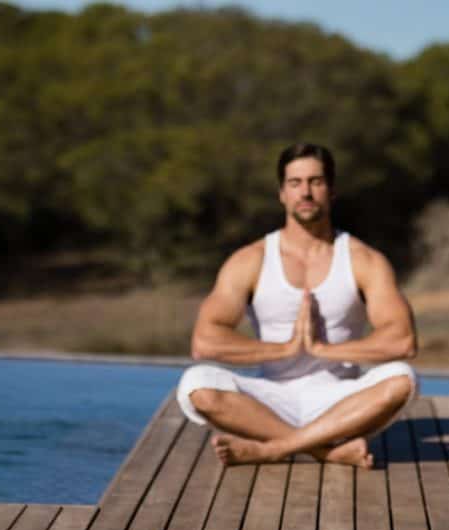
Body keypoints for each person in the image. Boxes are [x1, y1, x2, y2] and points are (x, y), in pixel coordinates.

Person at [176, 143, 417, 469]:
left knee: (403, 379)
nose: (305, 192)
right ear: (282, 193)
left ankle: (272, 449)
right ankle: (324, 450)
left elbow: (402, 340)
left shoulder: (364, 260)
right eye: (295, 183)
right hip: (270, 399)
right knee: (195, 384)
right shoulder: (250, 260)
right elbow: (205, 342)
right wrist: (287, 349)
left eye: (316, 182)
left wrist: (322, 349)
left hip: (339, 399)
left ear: (331, 191)